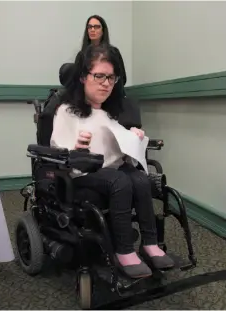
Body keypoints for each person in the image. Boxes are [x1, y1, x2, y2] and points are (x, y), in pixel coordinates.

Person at [50, 44, 174, 279]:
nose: (106, 83)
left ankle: (150, 244)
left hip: (112, 170)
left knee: (140, 179)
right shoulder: (67, 111)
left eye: (111, 77)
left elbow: (118, 151)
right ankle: (124, 251)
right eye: (99, 76)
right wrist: (77, 147)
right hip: (83, 173)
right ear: (82, 77)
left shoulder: (109, 113)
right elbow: (59, 147)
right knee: (120, 181)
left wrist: (134, 139)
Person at [75, 15, 127, 95]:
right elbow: (77, 81)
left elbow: (122, 78)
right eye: (90, 27)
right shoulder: (81, 55)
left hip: (112, 97)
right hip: (87, 99)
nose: (92, 29)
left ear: (103, 31)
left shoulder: (113, 52)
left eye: (96, 27)